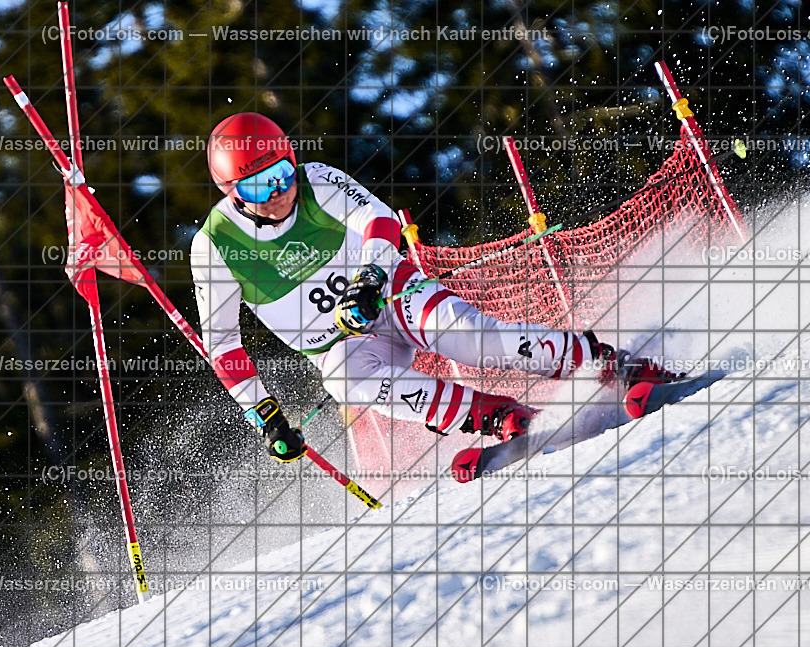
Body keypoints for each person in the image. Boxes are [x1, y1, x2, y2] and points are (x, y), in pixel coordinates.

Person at [191, 112, 674, 473]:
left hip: (391, 295)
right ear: (230, 193)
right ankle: (499, 416)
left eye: (280, 176)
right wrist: (266, 417)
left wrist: (370, 280)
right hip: (340, 343)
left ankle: (616, 365)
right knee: (343, 380)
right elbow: (223, 344)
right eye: (257, 189)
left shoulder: (318, 181)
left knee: (472, 339)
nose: (276, 194)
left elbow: (378, 220)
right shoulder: (215, 245)